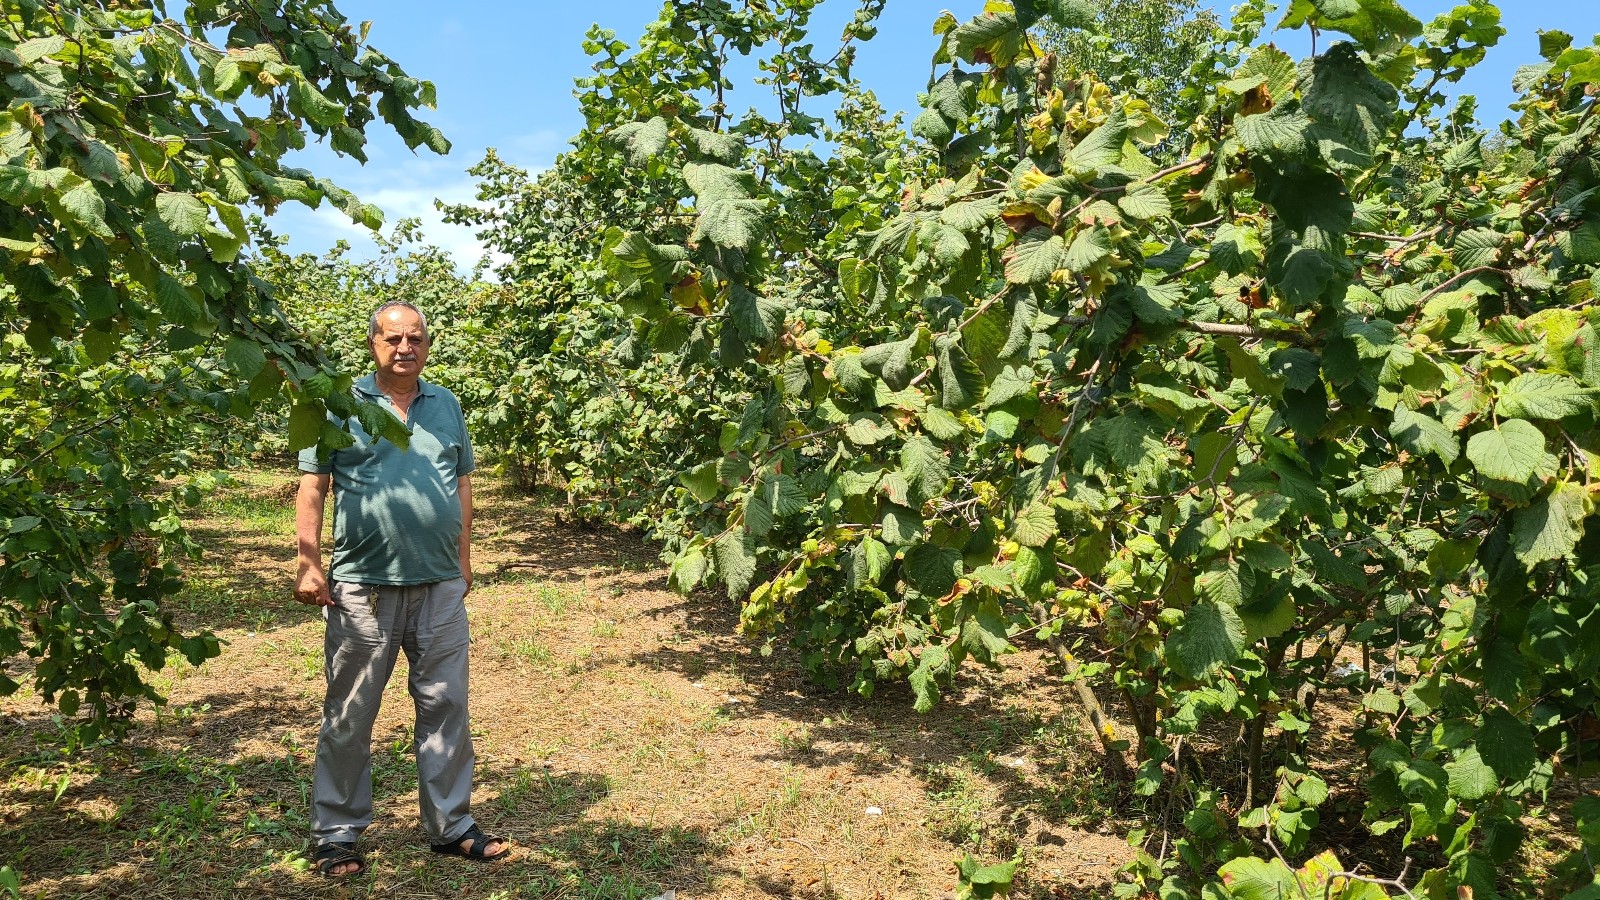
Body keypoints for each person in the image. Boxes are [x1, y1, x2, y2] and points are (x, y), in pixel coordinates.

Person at [292, 301, 508, 877]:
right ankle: (336, 834)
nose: (405, 348)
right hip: (364, 586)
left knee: (446, 706)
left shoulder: (446, 404)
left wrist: (463, 559)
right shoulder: (342, 405)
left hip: (439, 585)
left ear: (427, 345)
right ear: (374, 345)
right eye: (393, 338)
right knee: (351, 712)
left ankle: (451, 825)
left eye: (415, 338)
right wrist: (309, 562)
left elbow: (459, 481)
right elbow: (313, 486)